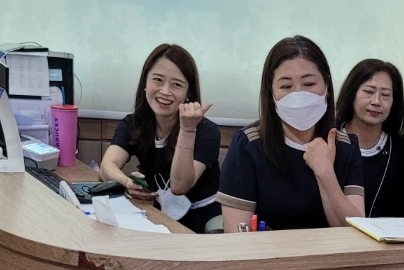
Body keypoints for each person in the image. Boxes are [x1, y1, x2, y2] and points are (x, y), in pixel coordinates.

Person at [217, 36, 365, 232]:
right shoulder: (248, 145)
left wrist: (325, 173)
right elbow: (236, 234)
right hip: (267, 250)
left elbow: (354, 232)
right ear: (271, 94)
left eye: (309, 84)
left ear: (327, 87)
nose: (298, 95)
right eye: (286, 86)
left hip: (330, 251)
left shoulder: (346, 146)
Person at [99, 44, 222, 233]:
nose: (165, 91)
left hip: (202, 222)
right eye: (158, 80)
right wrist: (127, 183)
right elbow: (107, 166)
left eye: (176, 84)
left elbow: (180, 186)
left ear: (188, 93)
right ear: (145, 83)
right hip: (158, 215)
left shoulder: (207, 131)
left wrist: (187, 129)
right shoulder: (134, 123)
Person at [335, 58, 404, 217]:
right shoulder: (329, 141)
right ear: (352, 94)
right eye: (369, 92)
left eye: (385, 95)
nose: (376, 101)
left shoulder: (402, 151)